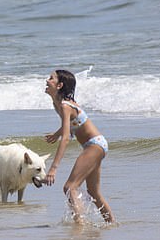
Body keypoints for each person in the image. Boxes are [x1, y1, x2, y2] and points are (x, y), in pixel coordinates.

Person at [43, 69, 115, 224]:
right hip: (97, 145)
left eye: (51, 78)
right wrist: (57, 134)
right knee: (93, 192)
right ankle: (112, 223)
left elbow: (67, 138)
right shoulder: (58, 104)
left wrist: (54, 168)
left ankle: (80, 225)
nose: (47, 81)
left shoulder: (64, 105)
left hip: (94, 145)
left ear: (60, 85)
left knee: (70, 187)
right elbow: (70, 124)